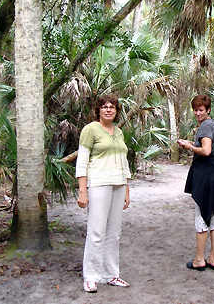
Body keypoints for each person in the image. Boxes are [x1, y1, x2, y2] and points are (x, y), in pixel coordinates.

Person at [75, 93, 131, 293]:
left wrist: (126, 188)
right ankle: (91, 276)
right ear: (98, 110)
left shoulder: (118, 132)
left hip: (118, 185)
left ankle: (110, 274)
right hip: (98, 184)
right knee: (96, 232)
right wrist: (83, 191)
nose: (108, 109)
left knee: (113, 234)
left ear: (116, 111)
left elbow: (124, 162)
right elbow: (82, 161)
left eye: (112, 107)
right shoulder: (90, 130)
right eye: (105, 106)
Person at [178, 94, 214, 271]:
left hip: (206, 174)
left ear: (208, 110)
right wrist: (191, 143)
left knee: (201, 216)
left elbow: (205, 151)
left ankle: (199, 260)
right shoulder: (211, 124)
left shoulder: (205, 126)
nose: (198, 113)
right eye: (195, 110)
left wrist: (190, 147)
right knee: (213, 217)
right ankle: (213, 257)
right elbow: (209, 147)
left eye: (201, 110)